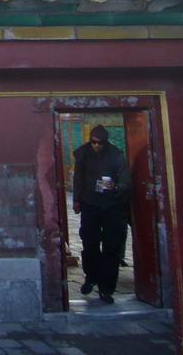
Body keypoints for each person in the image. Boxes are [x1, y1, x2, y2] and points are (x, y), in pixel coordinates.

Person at [72, 125, 131, 304]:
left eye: (100, 143)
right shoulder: (83, 153)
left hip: (112, 205)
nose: (97, 146)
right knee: (89, 243)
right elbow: (78, 177)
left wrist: (116, 187)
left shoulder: (117, 156)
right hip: (90, 204)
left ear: (106, 142)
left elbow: (126, 182)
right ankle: (91, 277)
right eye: (94, 142)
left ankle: (106, 288)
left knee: (111, 248)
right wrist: (76, 199)